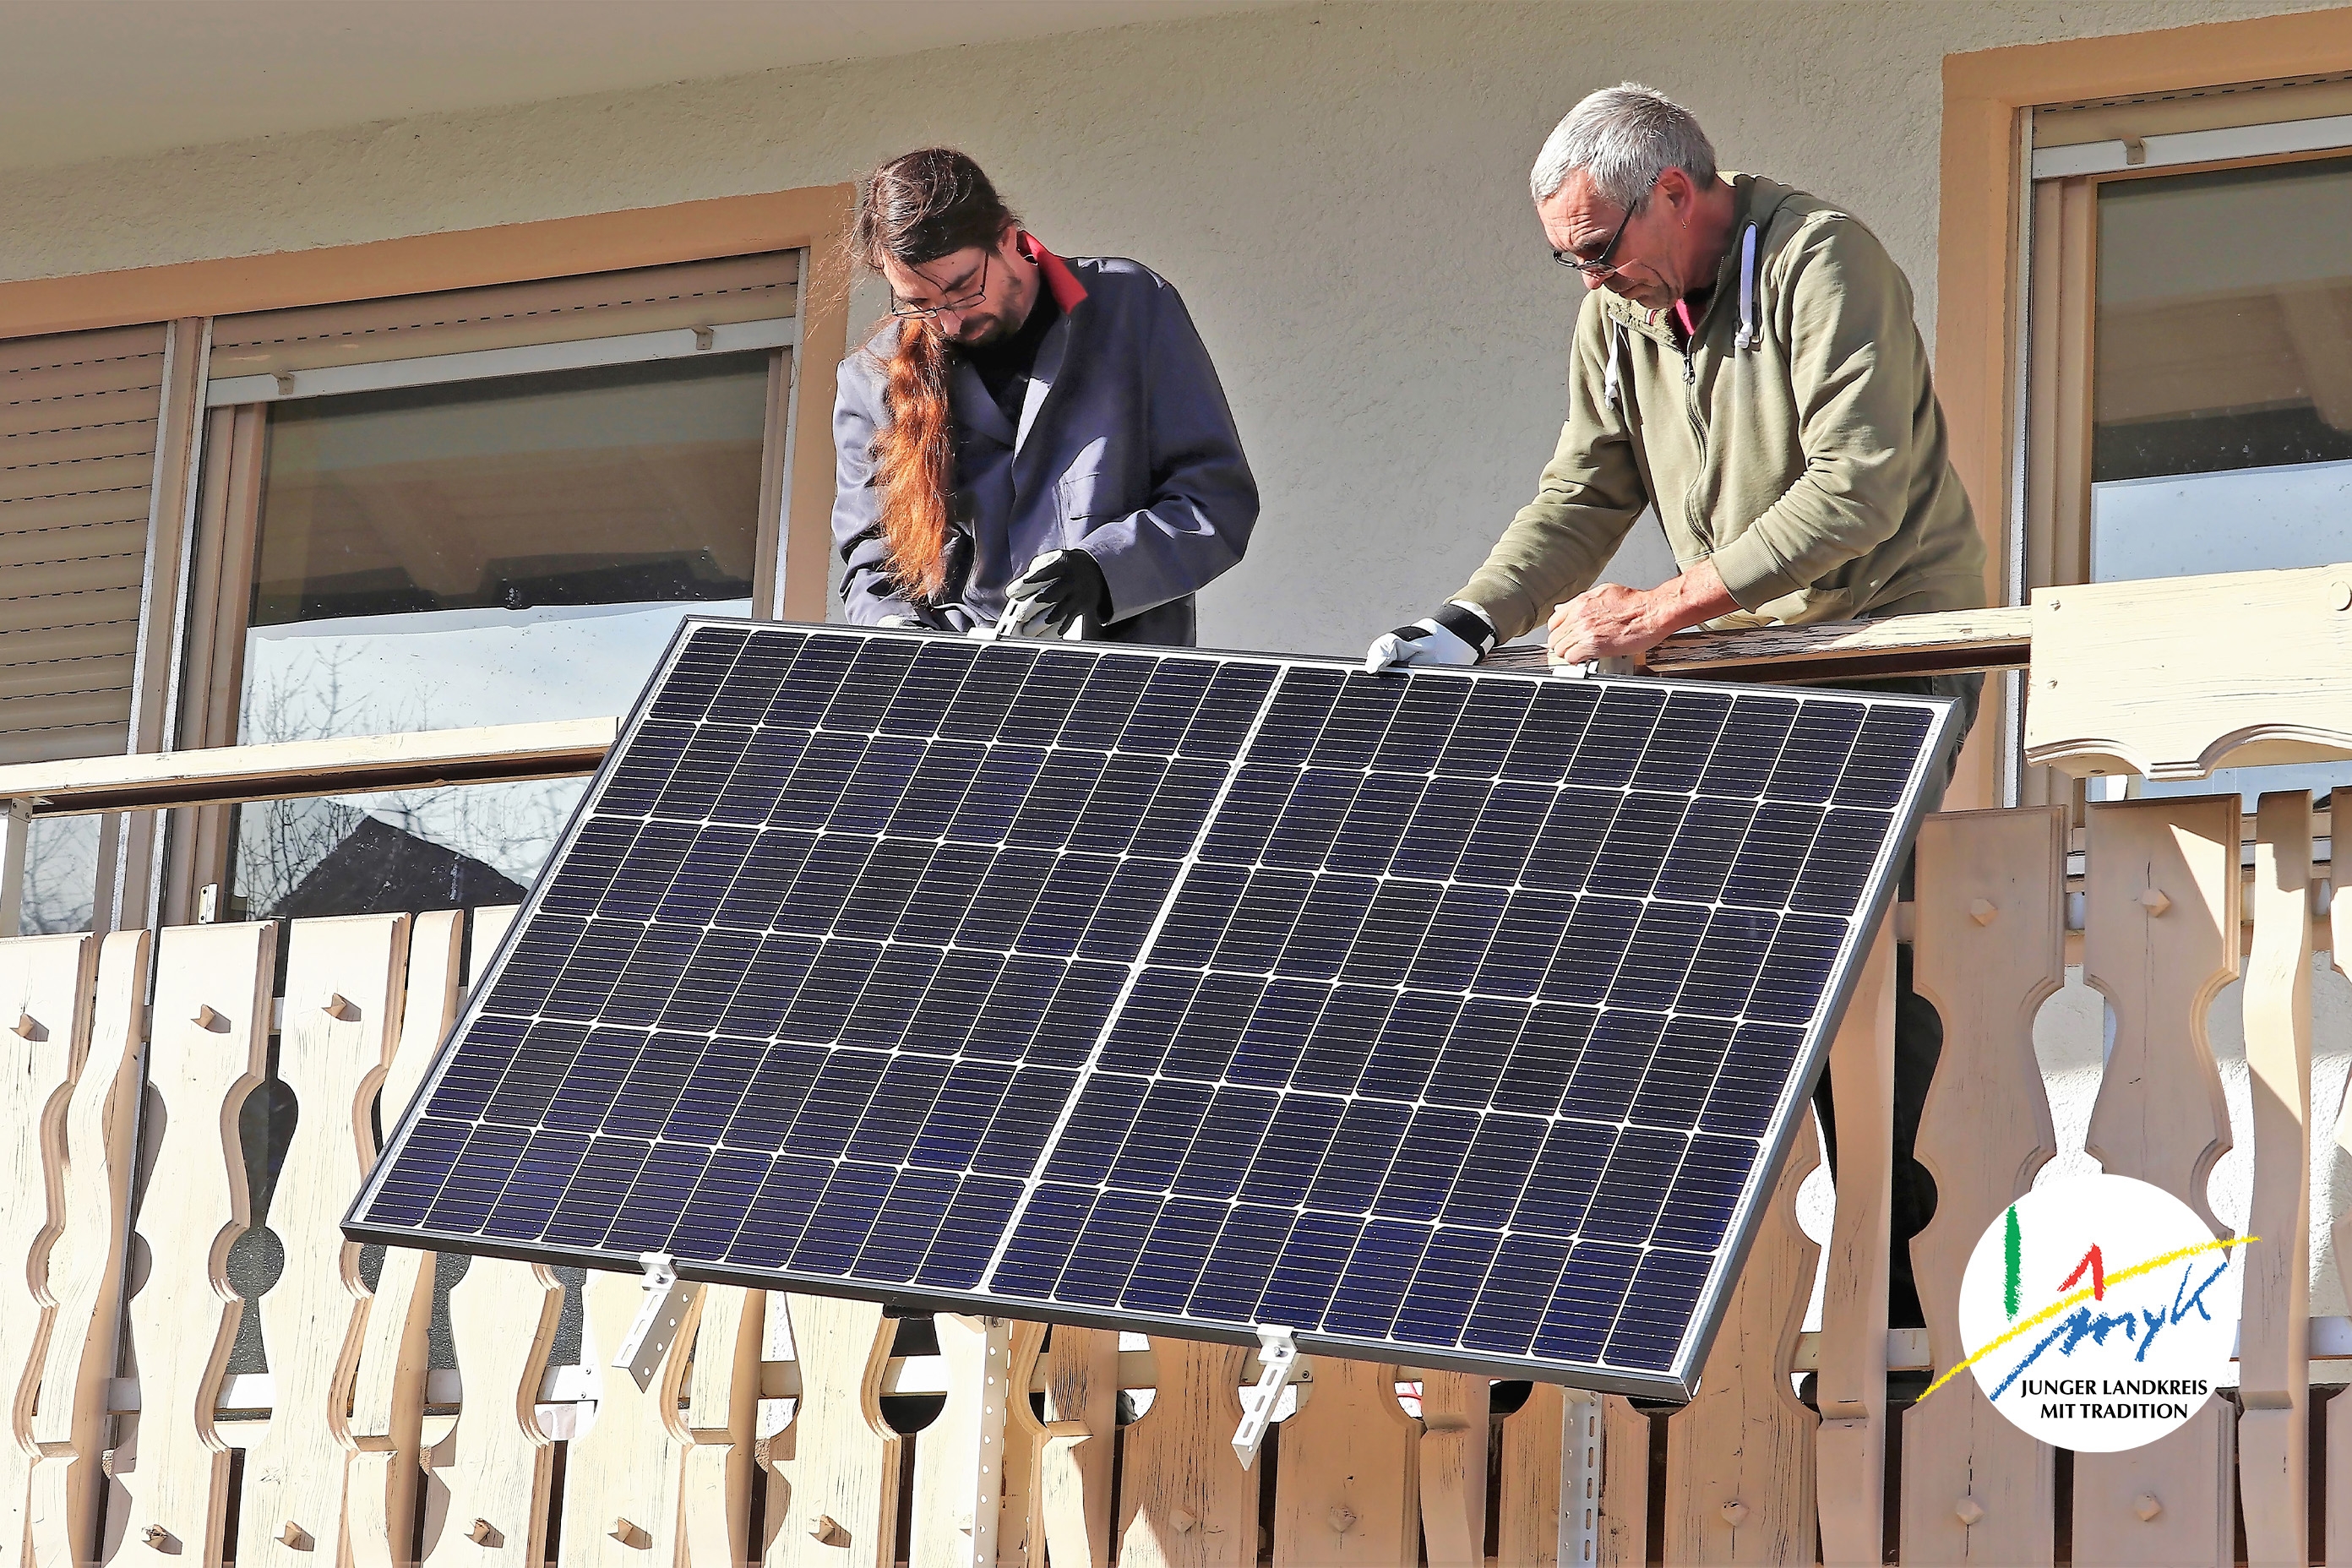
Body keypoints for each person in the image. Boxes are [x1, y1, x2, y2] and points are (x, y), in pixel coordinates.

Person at [1368, 84, 1990, 1329]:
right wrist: (1464, 624)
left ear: (1676, 193)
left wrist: (1659, 611)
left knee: (1855, 940)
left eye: (1598, 250)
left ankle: (1880, 1234)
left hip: (1881, 639)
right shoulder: (1619, 319)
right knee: (1683, 932)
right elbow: (1584, 493)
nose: (1591, 282)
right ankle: (1657, 1264)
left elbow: (1857, 490)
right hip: (1737, 651)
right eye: (1568, 260)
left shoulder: (1824, 261)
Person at [833, 148, 1256, 645]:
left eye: (965, 289)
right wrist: (897, 632)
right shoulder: (870, 376)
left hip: (1121, 698)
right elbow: (873, 557)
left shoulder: (1131, 307)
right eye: (919, 304)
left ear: (1009, 238)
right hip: (957, 702)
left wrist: (1100, 572)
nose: (949, 322)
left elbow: (1215, 498)